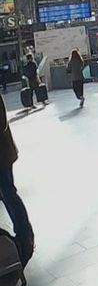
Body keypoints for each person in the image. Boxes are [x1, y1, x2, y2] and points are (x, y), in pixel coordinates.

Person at [0, 89, 34, 265]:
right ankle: (22, 238)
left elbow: (1, 123)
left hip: (2, 155)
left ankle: (25, 238)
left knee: (9, 194)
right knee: (6, 195)